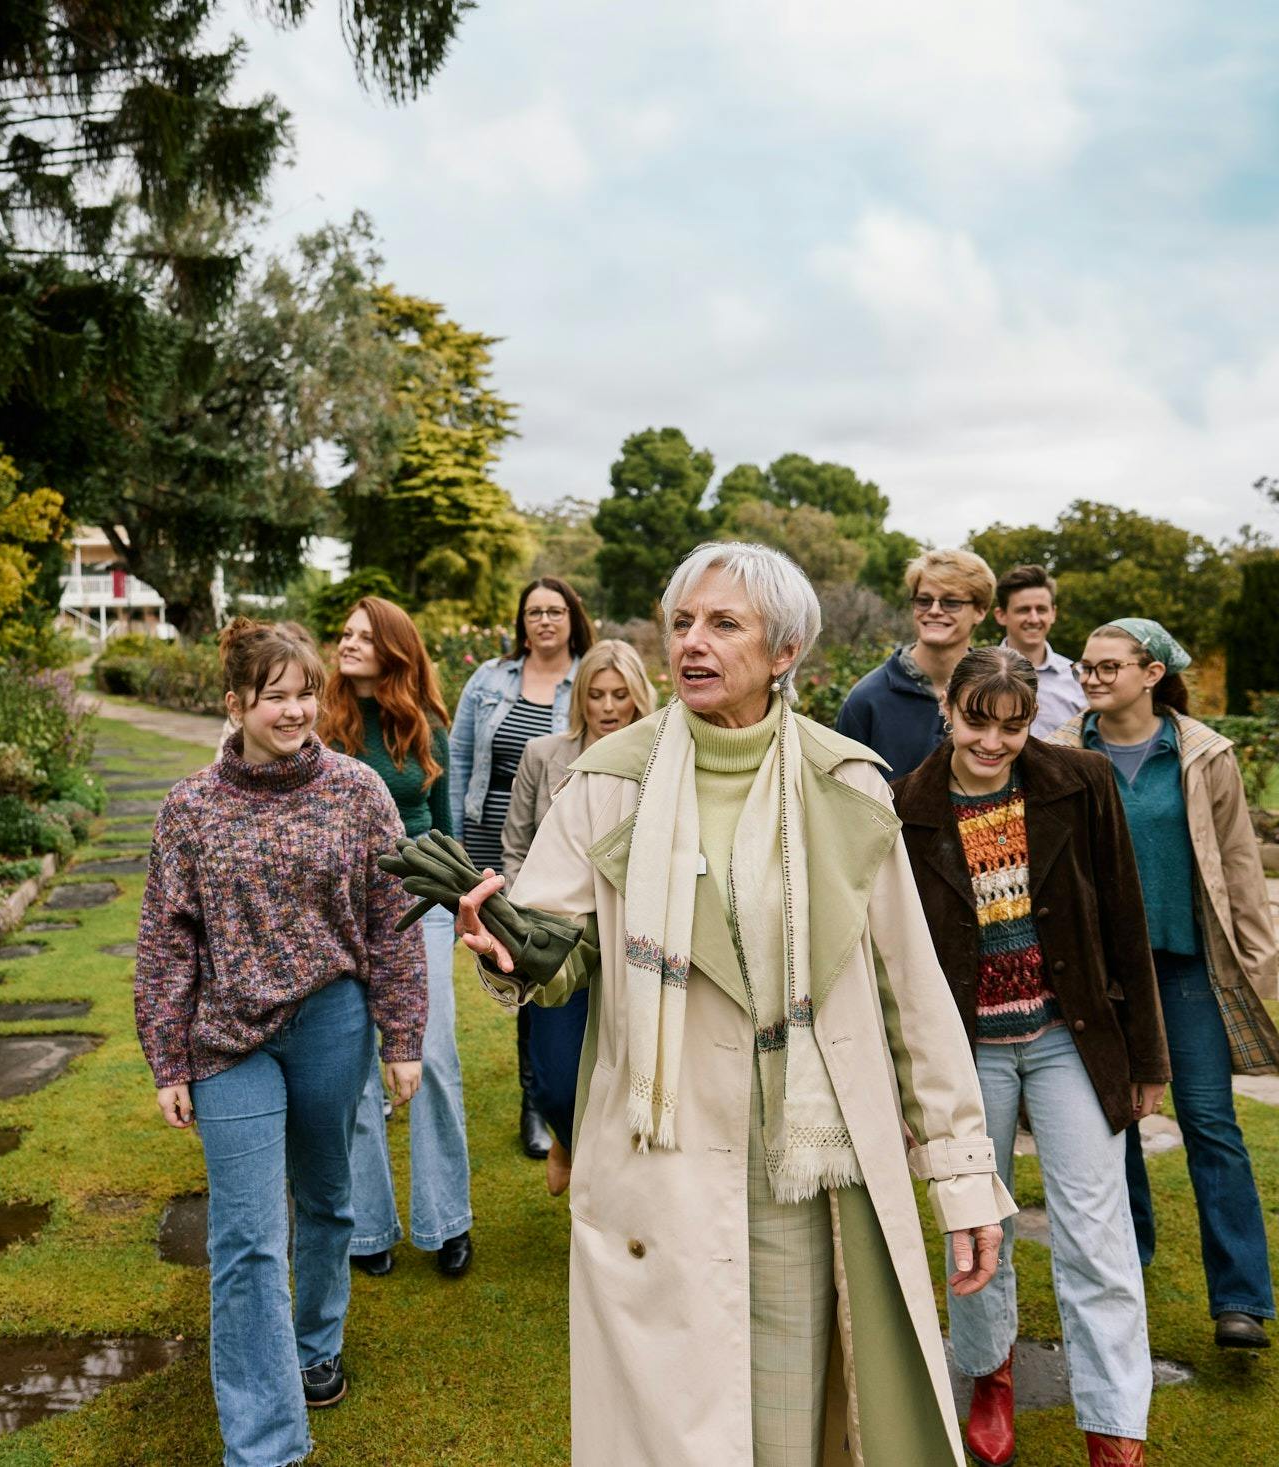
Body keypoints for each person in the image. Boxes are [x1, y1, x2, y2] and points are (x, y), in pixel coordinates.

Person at [456, 541, 1013, 1467]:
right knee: (673, 1433)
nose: (693, 643)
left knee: (789, 1426)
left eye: (724, 623)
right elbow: (555, 949)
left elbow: (908, 992)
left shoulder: (847, 782)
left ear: (784, 651)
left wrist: (961, 1179)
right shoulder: (609, 780)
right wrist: (509, 951)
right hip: (656, 1161)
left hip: (803, 1169)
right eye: (682, 622)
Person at [135, 618, 428, 1466]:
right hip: (228, 1039)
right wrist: (168, 1055)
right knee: (248, 1233)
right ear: (234, 704)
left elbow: (393, 920)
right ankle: (265, 1440)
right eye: (276, 697)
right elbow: (167, 938)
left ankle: (315, 1344)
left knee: (328, 1198)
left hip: (332, 1020)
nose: (297, 709)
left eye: (306, 693)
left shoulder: (359, 791)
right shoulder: (190, 807)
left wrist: (402, 1034)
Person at [891, 647, 1169, 1467]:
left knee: (1099, 1233)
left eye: (1013, 726)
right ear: (948, 706)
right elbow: (897, 961)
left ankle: (1115, 1426)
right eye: (978, 721)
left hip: (1068, 1041)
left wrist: (1146, 1056)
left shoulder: (1078, 782)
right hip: (964, 1053)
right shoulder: (907, 807)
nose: (994, 741)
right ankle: (990, 1376)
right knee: (976, 1231)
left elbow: (1125, 914)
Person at [1052, 618, 1279, 1353]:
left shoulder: (1203, 755)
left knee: (1210, 1123)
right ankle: (1131, 1256)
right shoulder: (1063, 753)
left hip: (1187, 970)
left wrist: (1257, 965)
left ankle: (1242, 1299)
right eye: (1086, 668)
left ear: (1152, 672)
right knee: (1111, 1124)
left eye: (1107, 667)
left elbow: (1239, 864)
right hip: (1101, 976)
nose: (1091, 679)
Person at [319, 597, 476, 1280]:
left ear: (393, 648)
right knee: (351, 1067)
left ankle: (448, 1219)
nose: (347, 643)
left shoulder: (427, 727)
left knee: (432, 1056)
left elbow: (443, 831)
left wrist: (466, 905)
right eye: (344, 634)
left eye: (363, 635)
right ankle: (368, 1226)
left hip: (419, 907)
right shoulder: (321, 727)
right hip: (340, 910)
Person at [499, 637, 659, 1196]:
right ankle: (566, 1137)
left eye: (620, 694)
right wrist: (526, 924)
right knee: (557, 1083)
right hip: (558, 940)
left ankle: (612, 1189)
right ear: (581, 700)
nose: (610, 707)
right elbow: (516, 847)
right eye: (597, 695)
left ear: (639, 696)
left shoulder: (662, 763)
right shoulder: (544, 757)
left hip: (632, 941)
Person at [450, 575, 592, 1160]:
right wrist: (460, 842)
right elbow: (460, 754)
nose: (544, 622)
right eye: (534, 612)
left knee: (545, 966)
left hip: (552, 840)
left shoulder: (591, 678)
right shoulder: (491, 678)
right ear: (522, 621)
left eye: (555, 611)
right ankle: (532, 1093)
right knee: (510, 966)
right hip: (494, 838)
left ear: (572, 618)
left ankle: (544, 1100)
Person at [837, 547, 996, 779]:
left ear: (981, 611)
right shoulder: (866, 699)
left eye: (951, 602)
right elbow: (842, 794)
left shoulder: (996, 693)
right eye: (924, 601)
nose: (934, 611)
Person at [992, 563, 1086, 737]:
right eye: (1023, 610)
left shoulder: (1079, 678)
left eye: (1041, 609)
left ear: (1053, 613)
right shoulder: (978, 674)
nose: (1034, 619)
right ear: (1001, 615)